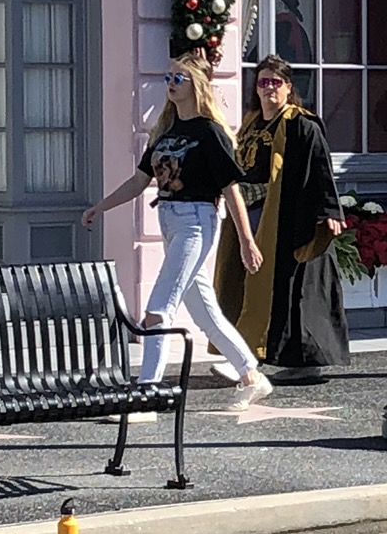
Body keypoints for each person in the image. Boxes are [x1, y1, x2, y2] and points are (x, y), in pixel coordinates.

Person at [82, 51, 272, 406]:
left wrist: (247, 241)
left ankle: (148, 393)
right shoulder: (166, 131)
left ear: (196, 85)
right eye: (168, 77)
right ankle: (251, 375)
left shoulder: (210, 132)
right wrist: (101, 206)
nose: (170, 84)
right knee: (204, 312)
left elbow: (231, 188)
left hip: (195, 222)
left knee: (158, 308)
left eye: (178, 78)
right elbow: (140, 181)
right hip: (169, 220)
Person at [215, 55, 349, 381]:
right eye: (263, 82)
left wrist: (329, 211)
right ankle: (246, 356)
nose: (269, 88)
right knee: (243, 285)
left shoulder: (301, 124)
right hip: (249, 216)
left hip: (287, 220)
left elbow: (321, 167)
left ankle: (295, 361)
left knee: (288, 291)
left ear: (289, 87)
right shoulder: (251, 123)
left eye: (276, 82)